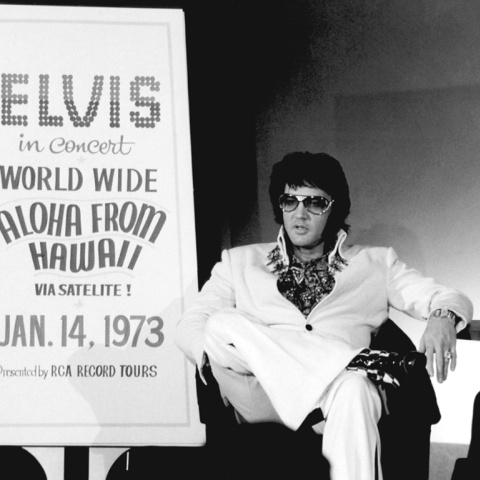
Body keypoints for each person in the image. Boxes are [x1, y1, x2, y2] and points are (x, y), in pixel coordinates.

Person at [174, 152, 473, 480]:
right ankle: (359, 362)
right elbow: (190, 325)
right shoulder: (239, 262)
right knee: (220, 326)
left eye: (315, 203)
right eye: (290, 201)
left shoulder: (375, 263)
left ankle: (350, 370)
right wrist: (215, 356)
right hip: (261, 396)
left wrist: (442, 316)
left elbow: (448, 296)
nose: (299, 214)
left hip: (337, 397)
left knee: (356, 389)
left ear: (335, 209)